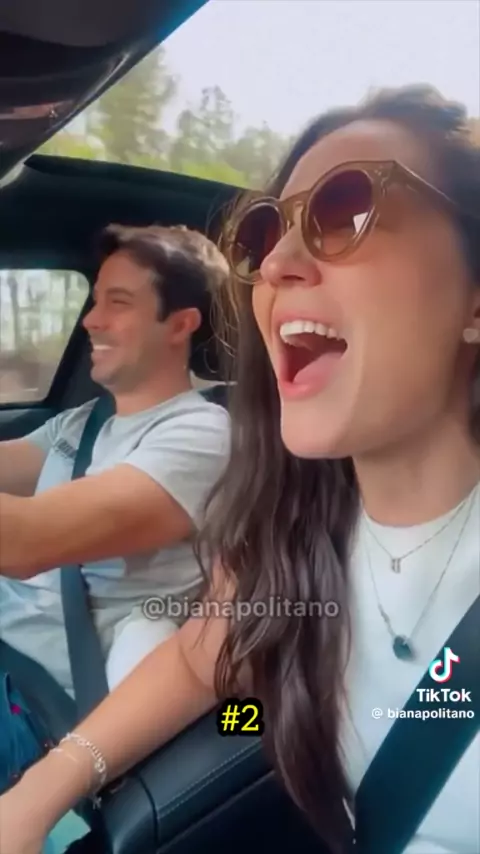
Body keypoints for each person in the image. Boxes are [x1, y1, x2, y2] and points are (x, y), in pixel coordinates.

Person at [1, 84, 479, 854]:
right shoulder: (291, 527)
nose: (275, 263)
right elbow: (204, 666)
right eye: (264, 232)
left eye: (346, 211)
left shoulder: (195, 436)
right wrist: (49, 786)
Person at [0, 223, 231, 786]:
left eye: (117, 302)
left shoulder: (203, 434)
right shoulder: (82, 422)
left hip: (39, 705)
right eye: (95, 299)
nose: (91, 319)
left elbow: (24, 542)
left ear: (180, 324)